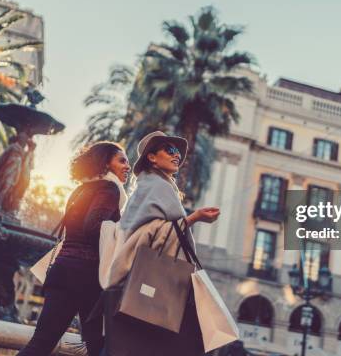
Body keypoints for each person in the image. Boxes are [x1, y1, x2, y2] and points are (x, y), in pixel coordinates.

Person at [101, 131, 220, 356]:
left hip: (134, 281)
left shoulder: (149, 186)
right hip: (150, 283)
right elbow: (146, 234)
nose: (177, 156)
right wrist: (194, 218)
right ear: (152, 158)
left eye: (178, 152)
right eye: (169, 150)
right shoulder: (158, 187)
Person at [18, 141, 130, 356]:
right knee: (101, 349)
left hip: (63, 271)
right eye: (122, 161)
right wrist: (124, 232)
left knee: (41, 344)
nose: (127, 166)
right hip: (87, 276)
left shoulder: (81, 189)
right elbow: (93, 227)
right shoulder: (110, 189)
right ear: (105, 163)